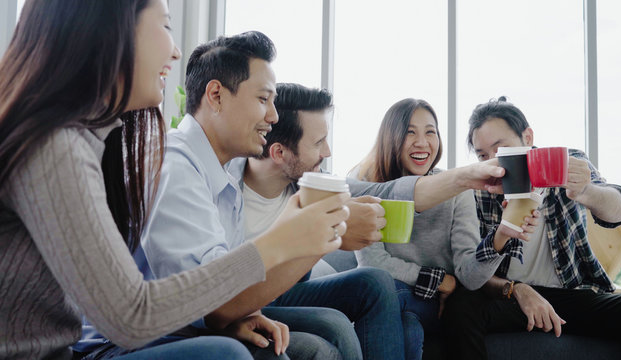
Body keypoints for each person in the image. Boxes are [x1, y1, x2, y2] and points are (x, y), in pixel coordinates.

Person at [0, 1, 347, 359]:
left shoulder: (95, 142)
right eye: (166, 26)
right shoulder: (57, 147)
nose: (176, 50)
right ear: (111, 30)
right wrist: (279, 242)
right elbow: (132, 316)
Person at [232, 83, 520, 360]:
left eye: (430, 132)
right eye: (319, 142)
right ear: (279, 152)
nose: (328, 152)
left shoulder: (315, 185)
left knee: (377, 292)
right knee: (370, 302)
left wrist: (469, 187)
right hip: (248, 298)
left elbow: (390, 194)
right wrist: (437, 280)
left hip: (301, 292)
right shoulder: (222, 187)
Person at [137, 33, 352, 360]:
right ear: (216, 96)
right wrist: (317, 235)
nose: (274, 117)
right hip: (145, 339)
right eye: (263, 99)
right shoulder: (175, 166)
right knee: (308, 350)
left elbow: (223, 296)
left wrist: (234, 317)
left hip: (190, 325)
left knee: (328, 330)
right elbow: (213, 302)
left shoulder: (223, 177)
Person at [443, 96, 621, 360]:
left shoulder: (566, 163)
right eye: (483, 155)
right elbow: (472, 271)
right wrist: (516, 290)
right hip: (510, 296)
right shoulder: (478, 190)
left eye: (501, 149)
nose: (494, 162)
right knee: (461, 306)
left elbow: (620, 210)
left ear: (527, 138)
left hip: (571, 293)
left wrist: (586, 191)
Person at [350, 98, 538, 360]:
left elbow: (469, 276)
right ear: (390, 137)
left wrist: (501, 235)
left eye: (430, 132)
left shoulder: (456, 191)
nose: (422, 142)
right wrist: (439, 280)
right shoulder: (365, 183)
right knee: (404, 320)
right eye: (409, 132)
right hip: (400, 298)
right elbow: (372, 262)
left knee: (389, 291)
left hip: (429, 304)